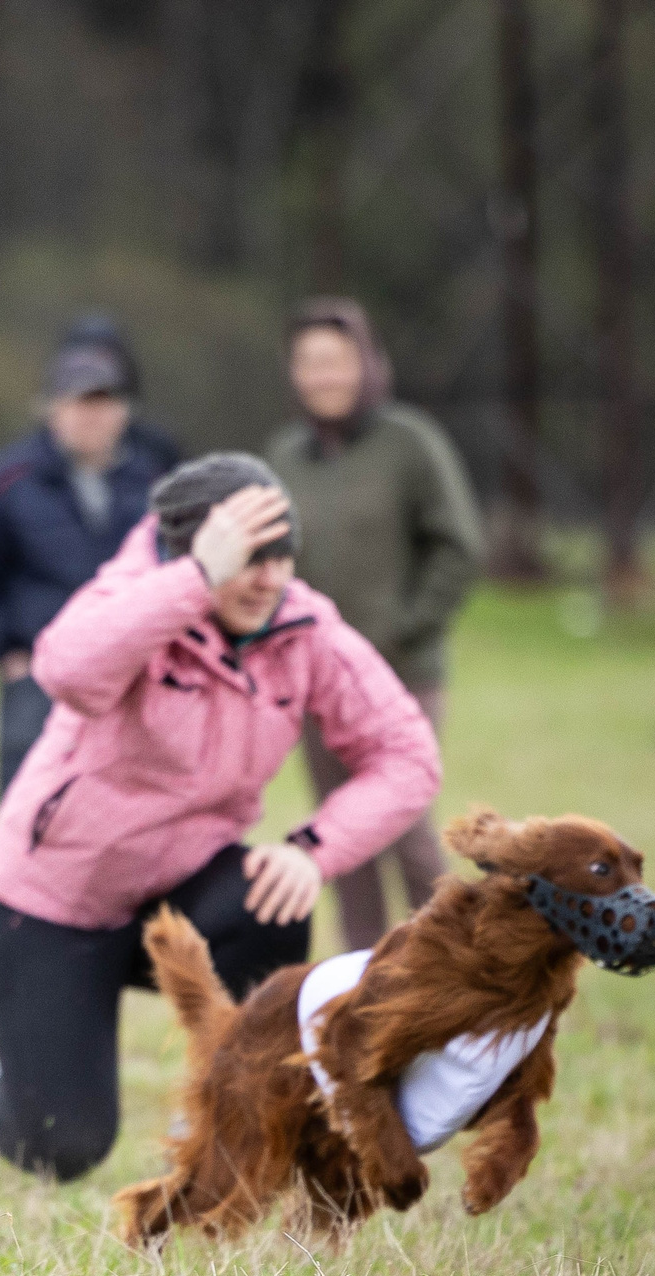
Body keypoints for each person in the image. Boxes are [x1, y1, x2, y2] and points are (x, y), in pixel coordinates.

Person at [0, 454, 441, 1181]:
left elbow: (408, 754)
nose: (269, 579)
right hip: (59, 898)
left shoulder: (303, 626)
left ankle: (217, 1109)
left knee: (273, 898)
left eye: (282, 556)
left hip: (182, 892)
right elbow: (65, 670)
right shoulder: (136, 592)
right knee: (64, 1145)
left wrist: (313, 849)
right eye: (248, 559)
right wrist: (194, 581)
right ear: (190, 550)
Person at [265, 298, 484, 950]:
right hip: (315, 683)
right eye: (309, 363)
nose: (323, 376)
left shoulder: (409, 443)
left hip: (402, 675)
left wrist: (404, 628)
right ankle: (362, 984)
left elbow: (458, 545)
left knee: (405, 830)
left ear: (366, 364)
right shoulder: (285, 456)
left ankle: (462, 966)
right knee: (341, 840)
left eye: (336, 360)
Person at [0, 320, 184, 795]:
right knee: (33, 821)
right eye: (77, 401)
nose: (90, 415)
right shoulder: (2, 482)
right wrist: (5, 650)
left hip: (143, 679)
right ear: (51, 408)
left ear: (125, 410)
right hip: (40, 684)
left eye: (104, 402)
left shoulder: (163, 480)